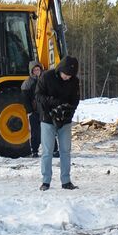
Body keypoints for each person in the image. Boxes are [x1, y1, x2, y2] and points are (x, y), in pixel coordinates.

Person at [35, 56, 80, 190]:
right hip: (47, 119)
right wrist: (53, 103)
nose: (68, 77)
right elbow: (38, 96)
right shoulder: (46, 77)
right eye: (66, 74)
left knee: (65, 151)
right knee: (47, 151)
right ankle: (46, 181)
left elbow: (75, 100)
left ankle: (66, 181)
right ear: (60, 70)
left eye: (70, 76)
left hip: (65, 121)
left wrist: (68, 113)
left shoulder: (74, 81)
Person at [21, 62, 43, 157]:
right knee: (35, 132)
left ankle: (54, 150)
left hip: (44, 111)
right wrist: (29, 111)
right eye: (35, 70)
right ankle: (34, 151)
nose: (37, 71)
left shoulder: (44, 80)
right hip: (34, 111)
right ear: (31, 71)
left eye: (38, 69)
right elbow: (25, 100)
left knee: (48, 131)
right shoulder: (27, 83)